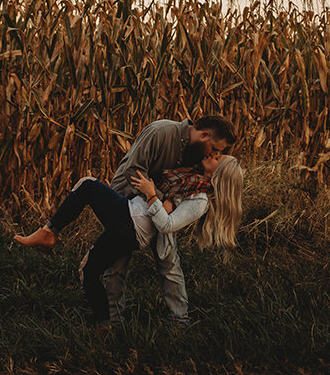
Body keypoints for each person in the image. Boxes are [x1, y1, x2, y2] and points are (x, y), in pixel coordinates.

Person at [13, 153, 243, 328]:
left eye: (218, 158)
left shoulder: (200, 201)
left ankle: (49, 231)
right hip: (129, 224)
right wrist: (165, 199)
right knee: (88, 270)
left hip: (131, 222)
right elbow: (170, 202)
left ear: (219, 174)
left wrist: (151, 193)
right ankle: (104, 326)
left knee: (87, 184)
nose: (213, 154)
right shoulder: (192, 182)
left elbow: (167, 225)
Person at [107, 115, 237, 325]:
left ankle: (179, 320)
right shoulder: (161, 132)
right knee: (117, 263)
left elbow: (187, 184)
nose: (214, 154)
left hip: (160, 209)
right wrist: (161, 198)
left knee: (169, 262)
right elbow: (134, 171)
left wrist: (166, 202)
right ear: (204, 135)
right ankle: (111, 321)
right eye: (214, 148)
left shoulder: (197, 152)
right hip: (127, 199)